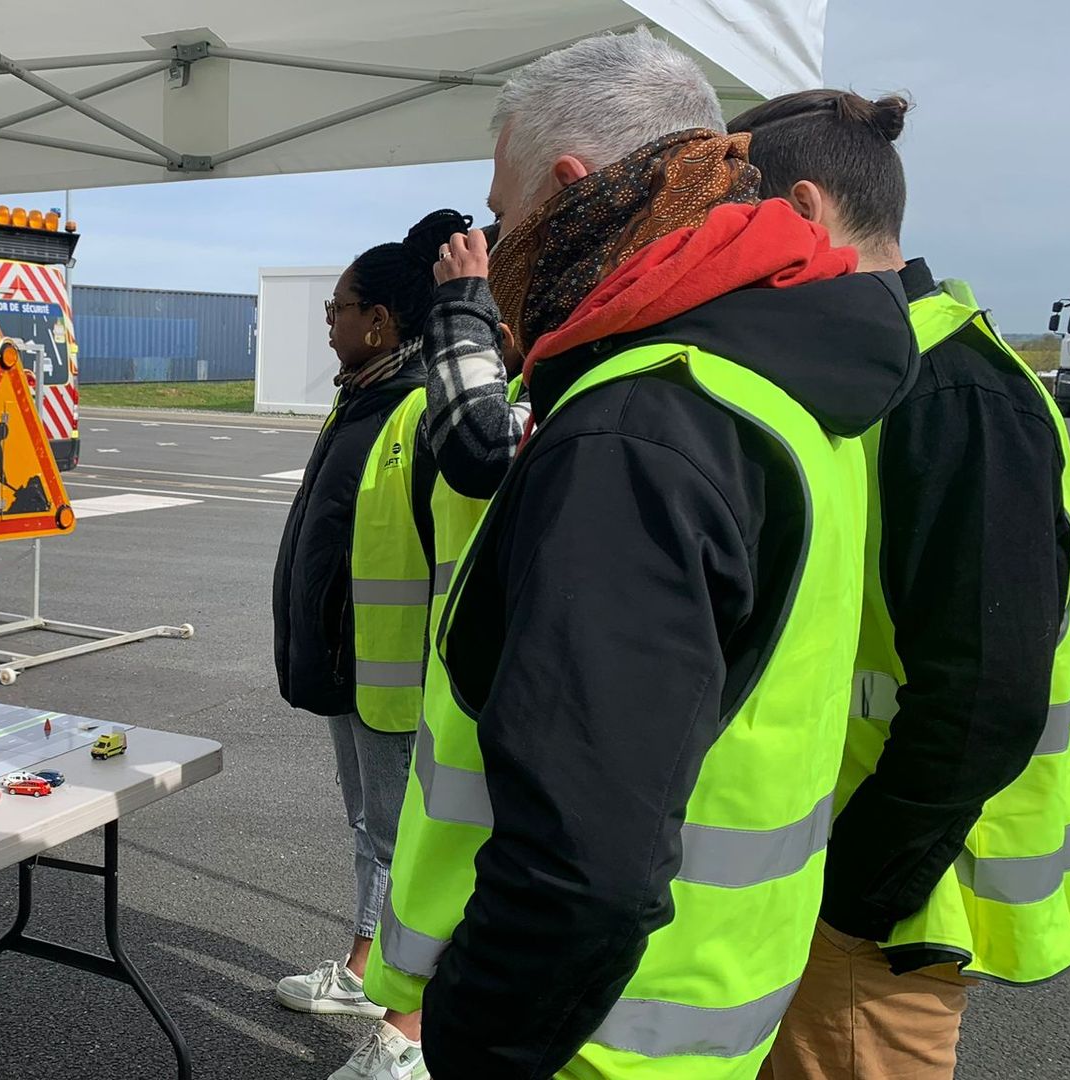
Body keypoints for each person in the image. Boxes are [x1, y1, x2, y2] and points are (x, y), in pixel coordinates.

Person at [361, 31, 919, 1078]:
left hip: (582, 1042)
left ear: (571, 189)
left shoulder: (638, 427)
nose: (501, 242)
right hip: (701, 1007)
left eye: (504, 212)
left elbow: (586, 867)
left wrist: (479, 1040)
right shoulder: (776, 377)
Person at [729, 91, 1070, 1080]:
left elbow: (986, 695)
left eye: (731, 227)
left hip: (874, 913)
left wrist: (859, 895)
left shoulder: (951, 389)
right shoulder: (865, 373)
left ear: (802, 211)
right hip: (813, 885)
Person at [271, 208, 521, 1080]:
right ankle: (363, 969)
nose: (329, 322)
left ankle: (405, 1033)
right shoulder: (362, 400)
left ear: (378, 321)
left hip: (402, 682)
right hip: (353, 670)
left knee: (404, 845)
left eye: (337, 308)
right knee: (373, 832)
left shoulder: (418, 410)